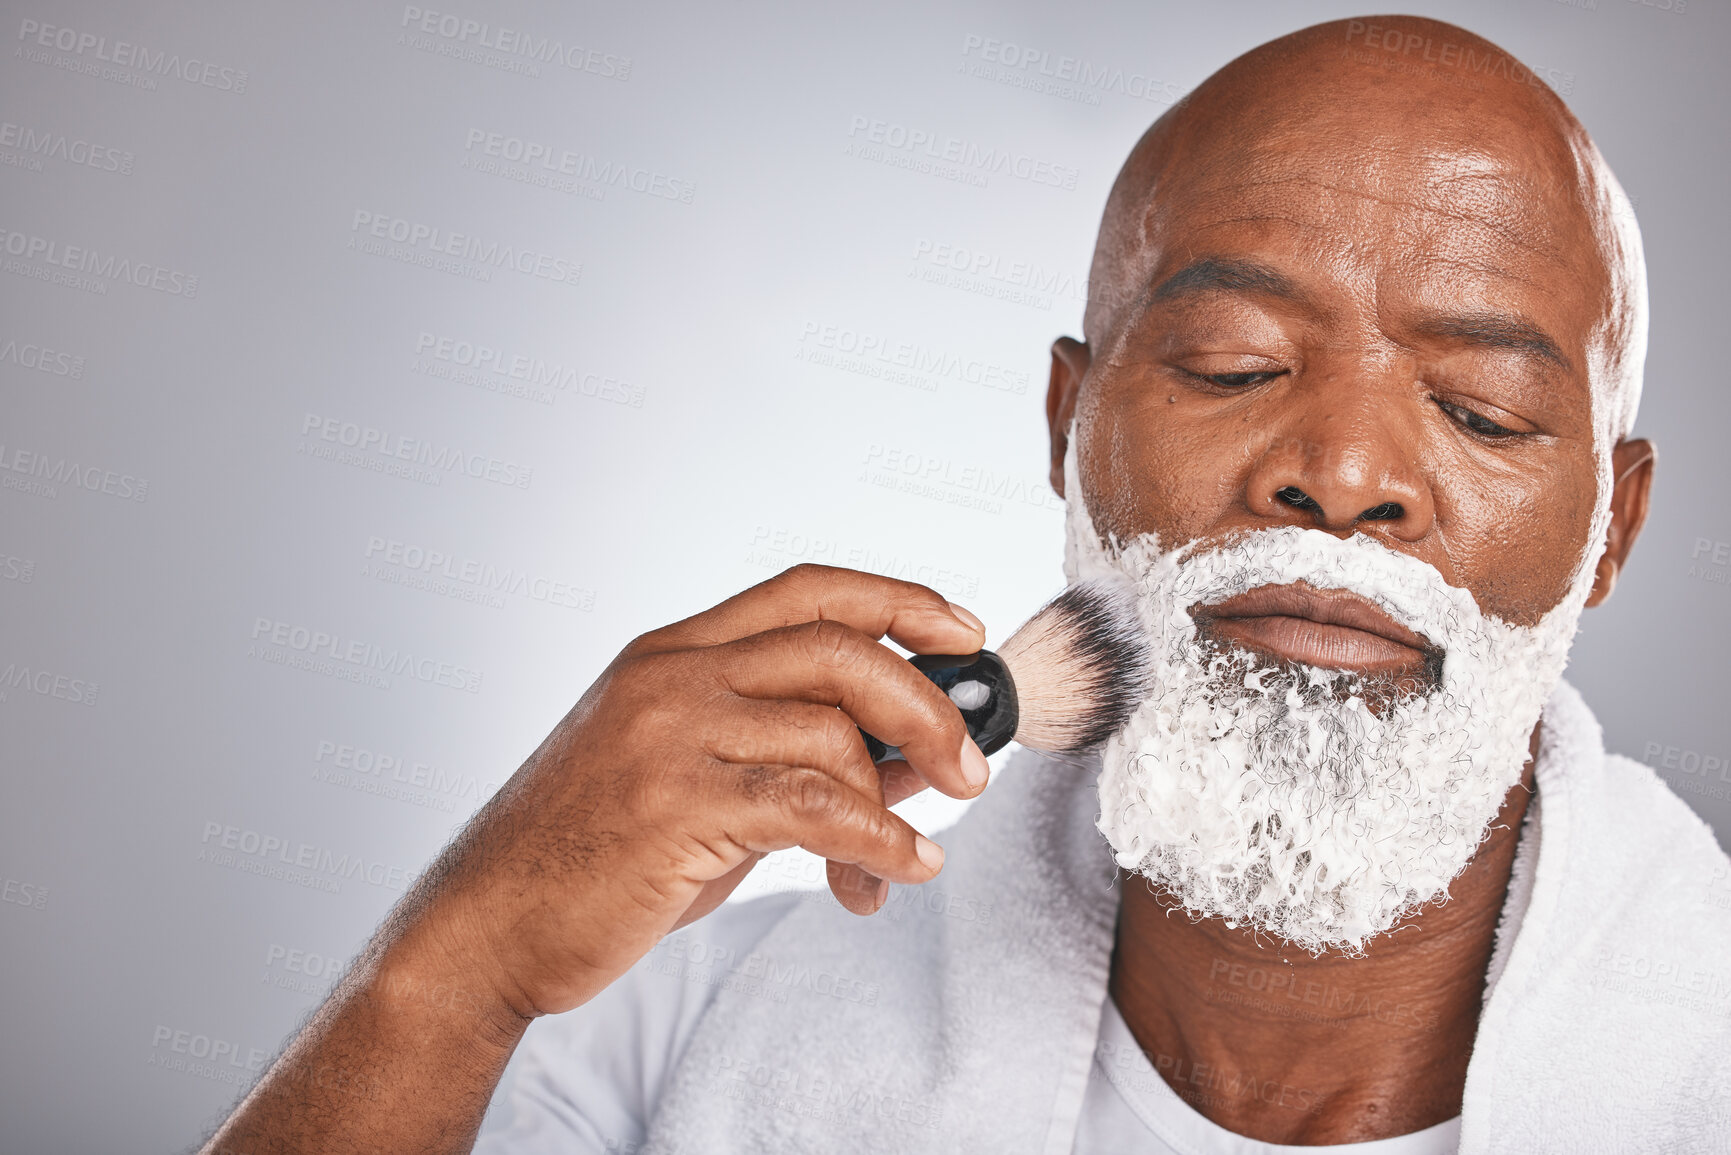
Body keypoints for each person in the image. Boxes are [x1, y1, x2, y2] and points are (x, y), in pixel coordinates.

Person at [202, 15, 1731, 1154]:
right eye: (1235, 364)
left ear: (1611, 531)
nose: (1341, 475)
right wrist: (454, 971)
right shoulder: (673, 1041)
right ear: (1068, 429)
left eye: (1478, 411)